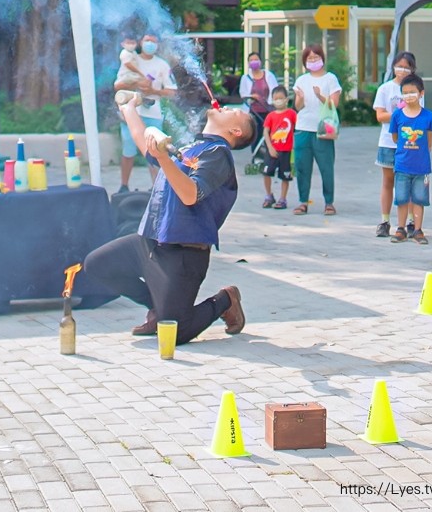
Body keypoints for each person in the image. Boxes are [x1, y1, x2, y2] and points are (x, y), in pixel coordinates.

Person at [83, 97, 257, 344]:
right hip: (150, 242)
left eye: (235, 112)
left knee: (175, 333)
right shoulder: (191, 147)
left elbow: (190, 195)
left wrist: (164, 159)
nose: (227, 106)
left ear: (235, 131)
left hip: (184, 254)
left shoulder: (219, 154)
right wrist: (129, 108)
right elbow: (144, 143)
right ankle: (159, 307)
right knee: (97, 264)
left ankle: (226, 299)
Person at [114, 33, 177, 193]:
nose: (150, 44)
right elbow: (117, 86)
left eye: (154, 42)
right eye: (147, 41)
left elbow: (172, 91)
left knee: (154, 151)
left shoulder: (162, 65)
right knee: (128, 150)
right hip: (131, 111)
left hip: (153, 113)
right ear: (140, 42)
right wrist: (136, 83)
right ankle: (123, 185)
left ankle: (157, 187)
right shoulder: (130, 59)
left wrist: (153, 90)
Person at [373, 52, 421, 237]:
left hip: (410, 142)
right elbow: (380, 116)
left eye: (406, 67)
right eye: (399, 66)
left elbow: (418, 114)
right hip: (387, 142)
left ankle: (409, 221)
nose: (402, 70)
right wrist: (401, 114)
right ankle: (385, 221)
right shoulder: (385, 89)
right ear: (393, 67)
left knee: (408, 182)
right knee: (388, 181)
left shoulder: (415, 89)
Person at [291, 44, 342, 216]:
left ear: (322, 58)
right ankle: (303, 202)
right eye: (309, 58)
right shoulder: (302, 80)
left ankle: (329, 202)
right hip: (303, 127)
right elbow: (298, 107)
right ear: (305, 61)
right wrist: (300, 98)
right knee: (302, 166)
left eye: (316, 57)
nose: (313, 60)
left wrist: (320, 96)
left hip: (323, 129)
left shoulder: (330, 79)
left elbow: (334, 104)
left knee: (326, 166)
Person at [388, 74, 432, 244]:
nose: (409, 96)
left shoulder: (428, 116)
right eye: (405, 92)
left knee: (419, 198)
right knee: (401, 198)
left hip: (422, 167)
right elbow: (395, 138)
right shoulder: (397, 116)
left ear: (421, 93)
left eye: (412, 92)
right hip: (402, 165)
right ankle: (400, 228)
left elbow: (429, 141)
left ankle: (417, 229)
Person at [261, 85, 296, 209]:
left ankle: (283, 198)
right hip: (272, 150)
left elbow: (298, 128)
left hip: (286, 151)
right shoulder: (270, 116)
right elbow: (266, 132)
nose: (278, 101)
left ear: (287, 99)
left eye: (281, 98)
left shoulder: (291, 114)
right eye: (276, 98)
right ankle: (269, 195)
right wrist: (270, 147)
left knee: (285, 175)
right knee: (266, 173)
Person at [238, 51, 279, 152]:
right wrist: (252, 96)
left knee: (269, 135)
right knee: (256, 135)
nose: (254, 62)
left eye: (256, 59)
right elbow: (243, 94)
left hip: (268, 110)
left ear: (260, 61)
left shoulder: (269, 75)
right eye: (251, 60)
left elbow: (275, 91)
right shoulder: (245, 78)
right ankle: (256, 157)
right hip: (254, 111)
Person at [113, 35, 148, 104]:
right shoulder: (124, 53)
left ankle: (143, 99)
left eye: (133, 43)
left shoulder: (134, 53)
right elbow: (128, 65)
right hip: (126, 76)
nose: (131, 45)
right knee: (142, 83)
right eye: (128, 43)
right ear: (122, 44)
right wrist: (140, 73)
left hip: (133, 75)